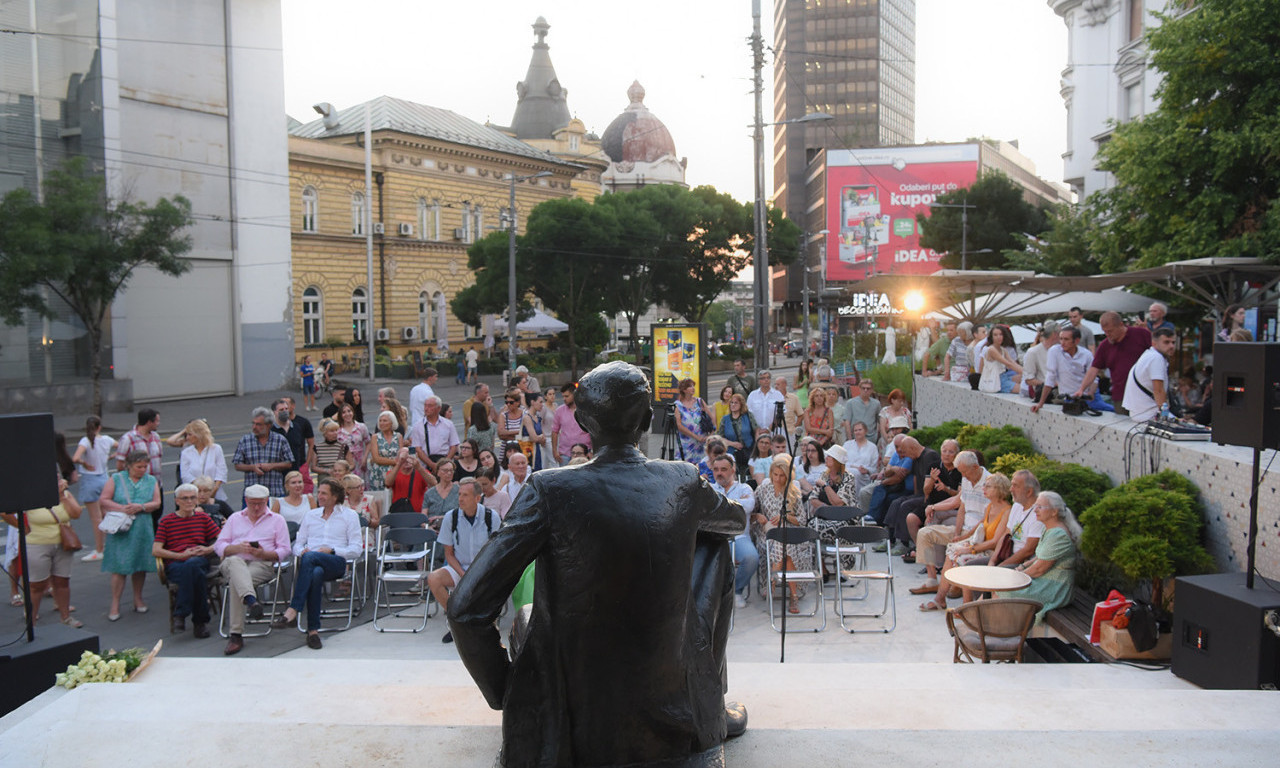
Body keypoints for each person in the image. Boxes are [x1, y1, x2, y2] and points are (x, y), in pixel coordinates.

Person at [447, 362, 748, 764]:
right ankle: (711, 701)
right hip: (659, 666)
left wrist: (510, 693)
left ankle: (709, 701)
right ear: (645, 419)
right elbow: (736, 519)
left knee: (525, 616)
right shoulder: (683, 479)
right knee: (717, 544)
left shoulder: (549, 488)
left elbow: (466, 608)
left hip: (577, 676)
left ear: (584, 422)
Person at [272, 478, 362, 649]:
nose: (318, 496)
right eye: (318, 492)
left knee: (311, 558)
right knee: (315, 573)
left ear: (335, 497)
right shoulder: (311, 515)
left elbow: (356, 549)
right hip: (312, 564)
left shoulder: (349, 516)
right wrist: (301, 551)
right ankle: (313, 631)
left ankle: (294, 609)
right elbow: (298, 544)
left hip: (336, 562)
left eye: (323, 493)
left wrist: (332, 550)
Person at [214, 484, 292, 656]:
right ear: (246, 501)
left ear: (267, 501)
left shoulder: (277, 520)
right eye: (253, 503)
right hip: (234, 561)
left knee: (238, 581)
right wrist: (236, 548)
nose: (257, 508)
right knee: (235, 562)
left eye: (261, 504)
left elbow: (285, 550)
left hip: (262, 563)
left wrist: (263, 553)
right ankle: (250, 600)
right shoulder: (235, 518)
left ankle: (236, 634)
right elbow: (219, 546)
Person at [918, 472, 1012, 612]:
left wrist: (970, 549)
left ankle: (966, 607)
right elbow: (979, 526)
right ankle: (940, 598)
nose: (984, 489)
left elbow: (995, 542)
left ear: (999, 489)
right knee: (952, 552)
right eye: (984, 485)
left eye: (988, 486)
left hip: (992, 551)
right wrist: (962, 538)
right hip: (981, 545)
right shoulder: (990, 507)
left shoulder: (1006, 511)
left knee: (962, 559)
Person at [1, 476, 83, 627]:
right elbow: (5, 512)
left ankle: (66, 617)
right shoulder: (30, 495)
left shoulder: (64, 495)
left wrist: (62, 497)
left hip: (62, 543)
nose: (60, 482)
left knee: (62, 581)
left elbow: (76, 513)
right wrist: (22, 527)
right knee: (36, 585)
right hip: (37, 543)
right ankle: (30, 621)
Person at [430, 477, 500, 642]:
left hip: (484, 569)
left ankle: (485, 627)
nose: (460, 498)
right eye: (460, 494)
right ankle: (456, 621)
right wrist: (463, 574)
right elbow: (449, 553)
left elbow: (496, 552)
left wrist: (478, 573)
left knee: (496, 584)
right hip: (459, 567)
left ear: (477, 498)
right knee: (433, 578)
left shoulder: (492, 517)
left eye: (466, 495)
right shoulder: (451, 517)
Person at [912, 451, 990, 596]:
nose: (963, 476)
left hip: (977, 534)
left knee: (955, 549)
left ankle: (953, 586)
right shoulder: (967, 479)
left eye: (965, 472)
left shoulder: (990, 483)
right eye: (961, 472)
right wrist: (956, 533)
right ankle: (932, 580)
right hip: (963, 530)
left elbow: (986, 518)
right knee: (924, 533)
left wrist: (963, 536)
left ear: (975, 467)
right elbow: (961, 508)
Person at [152, 483, 220, 637]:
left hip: (199, 559)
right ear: (177, 501)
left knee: (193, 565)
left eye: (192, 498)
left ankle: (181, 614)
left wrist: (207, 549)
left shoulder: (203, 518)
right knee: (194, 572)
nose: (189, 501)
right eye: (185, 498)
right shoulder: (167, 521)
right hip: (176, 563)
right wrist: (180, 556)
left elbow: (221, 539)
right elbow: (156, 550)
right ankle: (200, 622)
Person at [100, 450, 161, 621]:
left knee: (140, 564)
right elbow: (104, 499)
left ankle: (138, 598)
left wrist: (141, 507)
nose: (142, 469)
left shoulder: (151, 480)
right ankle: (115, 603)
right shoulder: (116, 479)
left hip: (142, 527)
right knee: (119, 566)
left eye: (144, 466)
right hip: (121, 528)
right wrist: (122, 508)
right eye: (138, 466)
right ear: (129, 466)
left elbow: (157, 502)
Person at [1005, 491, 1081, 623]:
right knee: (999, 586)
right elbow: (1040, 557)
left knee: (1003, 590)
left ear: (1054, 512)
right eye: (1035, 506)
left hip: (1054, 587)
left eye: (1040, 507)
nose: (1035, 510)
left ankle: (994, 630)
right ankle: (981, 625)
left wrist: (1018, 578)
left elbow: (1039, 569)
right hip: (1044, 581)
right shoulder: (1049, 529)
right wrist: (1022, 567)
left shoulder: (1059, 535)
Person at [752, 454, 810, 614]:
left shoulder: (793, 491)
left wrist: (786, 516)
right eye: (775, 474)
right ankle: (793, 595)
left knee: (783, 544)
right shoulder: (763, 489)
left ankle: (772, 582)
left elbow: (802, 520)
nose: (777, 479)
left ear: (788, 476)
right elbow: (752, 512)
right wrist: (758, 516)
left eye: (781, 475)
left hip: (790, 533)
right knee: (782, 543)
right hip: (767, 532)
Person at [1074, 311, 1152, 411]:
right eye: (1104, 331)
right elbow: (1094, 369)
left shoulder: (1141, 334)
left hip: (1144, 395)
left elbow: (1156, 354)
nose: (1107, 334)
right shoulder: (1105, 346)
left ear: (1121, 325)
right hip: (1121, 397)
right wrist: (1081, 389)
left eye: (1110, 331)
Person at [880, 436, 943, 557]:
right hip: (920, 494)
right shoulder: (915, 457)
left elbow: (930, 483)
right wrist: (915, 495)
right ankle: (889, 536)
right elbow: (915, 478)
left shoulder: (929, 456)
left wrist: (923, 497)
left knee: (905, 505)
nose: (903, 455)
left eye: (904, 451)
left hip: (930, 496)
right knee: (896, 502)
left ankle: (903, 542)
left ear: (912, 448)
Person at [710, 454, 757, 608]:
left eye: (724, 469)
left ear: (732, 470)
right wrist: (737, 504)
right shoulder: (709, 489)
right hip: (714, 537)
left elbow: (749, 506)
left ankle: (736, 591)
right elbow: (706, 511)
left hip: (739, 537)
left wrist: (720, 505)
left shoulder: (744, 487)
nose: (719, 473)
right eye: (716, 469)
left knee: (751, 558)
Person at [72, 415, 116, 562]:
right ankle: (112, 545)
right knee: (107, 514)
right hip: (104, 477)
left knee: (95, 518)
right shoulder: (107, 439)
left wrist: (84, 463)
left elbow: (76, 458)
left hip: (90, 479)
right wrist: (112, 457)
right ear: (99, 427)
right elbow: (124, 446)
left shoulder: (85, 441)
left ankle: (99, 549)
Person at [232, 407, 294, 501]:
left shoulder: (280, 440)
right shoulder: (245, 440)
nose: (254, 427)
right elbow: (237, 465)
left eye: (258, 424)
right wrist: (253, 467)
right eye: (253, 423)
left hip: (274, 493)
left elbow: (289, 462)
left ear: (269, 425)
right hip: (252, 495)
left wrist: (271, 466)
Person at [1033, 325, 1095, 413]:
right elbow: (1050, 378)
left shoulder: (1087, 355)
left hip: (1087, 395)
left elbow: (1094, 378)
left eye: (1066, 339)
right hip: (1067, 398)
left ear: (1076, 341)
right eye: (1061, 339)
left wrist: (1090, 394)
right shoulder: (1054, 351)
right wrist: (1040, 403)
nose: (1062, 342)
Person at [990, 470, 1045, 569]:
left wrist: (999, 567)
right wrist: (992, 561)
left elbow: (1028, 550)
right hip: (1006, 555)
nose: (1011, 489)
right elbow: (1006, 535)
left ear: (1029, 492)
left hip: (1021, 564)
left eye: (1015, 486)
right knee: (969, 567)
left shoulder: (1039, 514)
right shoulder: (1017, 506)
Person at [1124, 327, 1176, 421]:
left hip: (1139, 413)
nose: (1171, 346)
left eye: (1173, 342)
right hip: (1148, 415)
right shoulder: (1157, 358)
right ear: (1154, 343)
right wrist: (1165, 417)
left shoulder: (1149, 355)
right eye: (1166, 342)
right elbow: (1158, 390)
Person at [175, 418, 228, 503]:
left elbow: (222, 471)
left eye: (189, 434)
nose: (187, 438)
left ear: (198, 435)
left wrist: (213, 491)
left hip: (215, 495)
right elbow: (185, 475)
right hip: (194, 498)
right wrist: (200, 492)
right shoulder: (186, 453)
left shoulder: (216, 449)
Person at [410, 396, 460, 473]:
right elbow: (418, 449)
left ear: (438, 408)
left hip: (445, 463)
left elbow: (453, 446)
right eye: (425, 405)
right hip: (425, 466)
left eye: (430, 406)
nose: (426, 408)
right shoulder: (418, 426)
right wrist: (432, 465)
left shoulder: (448, 424)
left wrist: (444, 463)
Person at [673, 377, 713, 465]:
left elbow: (712, 418)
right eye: (690, 386)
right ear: (684, 390)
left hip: (702, 442)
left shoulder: (699, 401)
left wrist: (710, 436)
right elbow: (679, 425)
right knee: (685, 467)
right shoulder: (678, 405)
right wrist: (695, 436)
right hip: (686, 443)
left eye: (693, 386)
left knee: (702, 467)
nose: (693, 388)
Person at [551, 381, 591, 465]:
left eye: (567, 396)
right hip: (565, 454)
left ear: (574, 395)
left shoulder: (585, 410)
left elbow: (593, 431)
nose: (564, 399)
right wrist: (555, 451)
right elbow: (555, 431)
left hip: (583, 454)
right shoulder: (559, 411)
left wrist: (591, 451)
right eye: (563, 396)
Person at [271, 397, 314, 475]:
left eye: (286, 409)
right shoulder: (270, 430)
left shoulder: (297, 427)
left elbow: (311, 444)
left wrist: (306, 465)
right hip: (277, 473)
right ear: (274, 412)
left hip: (297, 470)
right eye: (281, 410)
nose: (285, 411)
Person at [387, 446, 434, 513]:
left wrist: (419, 467)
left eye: (409, 456)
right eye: (404, 457)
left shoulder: (421, 472)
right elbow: (387, 483)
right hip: (399, 513)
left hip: (418, 514)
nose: (407, 460)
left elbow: (434, 484)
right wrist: (399, 463)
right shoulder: (394, 472)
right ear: (397, 459)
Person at [366, 410, 405, 491]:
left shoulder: (398, 436)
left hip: (395, 472)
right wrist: (395, 462)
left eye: (385, 421)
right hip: (379, 474)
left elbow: (402, 455)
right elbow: (376, 458)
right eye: (380, 421)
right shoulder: (375, 437)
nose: (382, 423)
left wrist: (397, 463)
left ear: (392, 422)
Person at [1020, 322, 1059, 401]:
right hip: (1046, 394)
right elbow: (1029, 380)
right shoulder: (1033, 352)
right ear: (1054, 334)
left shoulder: (1061, 350)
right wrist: (1049, 384)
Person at [979, 325, 1023, 394]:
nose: (998, 337)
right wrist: (1026, 373)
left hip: (1004, 377)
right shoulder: (991, 349)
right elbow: (1009, 364)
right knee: (1023, 390)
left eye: (1001, 334)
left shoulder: (1003, 349)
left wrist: (1027, 373)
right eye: (995, 335)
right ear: (992, 337)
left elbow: (1013, 363)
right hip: (996, 380)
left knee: (1025, 380)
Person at [718, 393, 756, 471]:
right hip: (731, 454)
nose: (733, 405)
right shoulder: (725, 419)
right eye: (731, 402)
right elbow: (719, 437)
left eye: (736, 403)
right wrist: (733, 444)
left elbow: (756, 431)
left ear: (741, 404)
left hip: (748, 452)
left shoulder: (748, 416)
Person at [842, 377, 880, 446]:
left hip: (871, 438)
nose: (865, 390)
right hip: (855, 437)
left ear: (872, 390)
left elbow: (879, 420)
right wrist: (850, 439)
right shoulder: (851, 403)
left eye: (868, 388)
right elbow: (847, 422)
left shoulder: (876, 404)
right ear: (859, 389)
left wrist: (877, 436)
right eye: (863, 388)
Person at [423, 459, 459, 529]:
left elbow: (462, 514)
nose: (449, 473)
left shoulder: (459, 491)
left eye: (451, 470)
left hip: (453, 527)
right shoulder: (429, 493)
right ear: (438, 472)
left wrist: (441, 517)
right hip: (432, 528)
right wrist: (428, 528)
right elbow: (423, 517)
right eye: (445, 470)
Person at [335, 403, 369, 477]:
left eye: (349, 411)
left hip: (360, 462)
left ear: (353, 412)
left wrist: (365, 458)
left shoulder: (361, 427)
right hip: (346, 463)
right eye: (344, 412)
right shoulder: (338, 431)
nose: (347, 414)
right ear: (340, 415)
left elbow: (368, 443)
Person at [310, 418, 348, 484]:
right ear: (325, 433)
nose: (335, 433)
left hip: (339, 477)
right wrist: (327, 471)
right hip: (324, 477)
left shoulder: (343, 446)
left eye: (336, 430)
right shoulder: (317, 447)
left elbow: (352, 464)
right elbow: (313, 467)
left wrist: (341, 470)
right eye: (332, 431)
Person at [519, 392, 550, 472]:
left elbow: (543, 438)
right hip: (528, 451)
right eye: (540, 402)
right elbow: (534, 438)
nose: (542, 405)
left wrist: (540, 438)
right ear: (532, 402)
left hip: (537, 451)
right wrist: (539, 438)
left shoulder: (538, 417)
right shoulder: (527, 417)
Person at [495, 388, 526, 463]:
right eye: (506, 402)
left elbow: (527, 433)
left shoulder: (524, 414)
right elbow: (501, 434)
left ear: (518, 402)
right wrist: (519, 432)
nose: (508, 405)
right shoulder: (503, 415)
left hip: (522, 450)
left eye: (511, 402)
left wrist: (508, 434)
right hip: (506, 452)